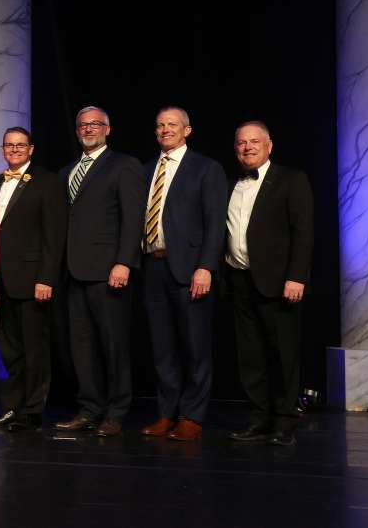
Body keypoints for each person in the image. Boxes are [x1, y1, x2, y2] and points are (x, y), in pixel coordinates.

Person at [137, 107, 227, 442]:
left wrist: (205, 267)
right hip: (153, 267)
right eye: (160, 125)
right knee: (162, 349)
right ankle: (167, 413)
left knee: (195, 346)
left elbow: (215, 223)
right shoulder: (146, 170)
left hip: (190, 270)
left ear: (187, 130)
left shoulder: (206, 168)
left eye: (172, 125)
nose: (165, 130)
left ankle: (192, 415)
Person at [54, 106, 143, 437]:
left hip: (108, 272)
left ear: (108, 129)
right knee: (81, 347)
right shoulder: (67, 171)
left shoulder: (124, 165)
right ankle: (89, 408)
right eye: (83, 125)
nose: (88, 129)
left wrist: (124, 261)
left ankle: (116, 413)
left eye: (95, 124)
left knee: (113, 345)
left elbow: (133, 219)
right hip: (74, 273)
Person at [225, 121, 313, 447]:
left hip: (278, 282)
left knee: (283, 355)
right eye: (241, 143)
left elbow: (303, 233)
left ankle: (285, 423)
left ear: (269, 145)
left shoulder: (291, 180)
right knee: (250, 356)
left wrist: (297, 277)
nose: (247, 147)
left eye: (254, 142)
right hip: (239, 279)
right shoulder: (231, 182)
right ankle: (259, 419)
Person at [0, 127, 67, 432]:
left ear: (31, 149)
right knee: (9, 349)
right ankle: (12, 407)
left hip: (33, 280)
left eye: (21, 145)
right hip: (2, 280)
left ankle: (32, 411)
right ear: (3, 149)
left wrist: (46, 278)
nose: (15, 150)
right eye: (9, 145)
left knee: (35, 349)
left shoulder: (48, 182)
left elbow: (54, 236)